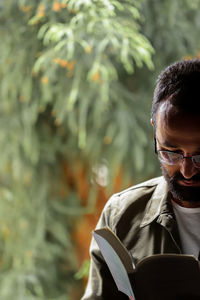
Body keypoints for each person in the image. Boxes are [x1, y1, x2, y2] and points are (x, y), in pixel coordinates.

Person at [81, 59, 200, 299]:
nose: (187, 170)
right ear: (154, 131)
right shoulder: (121, 216)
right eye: (171, 153)